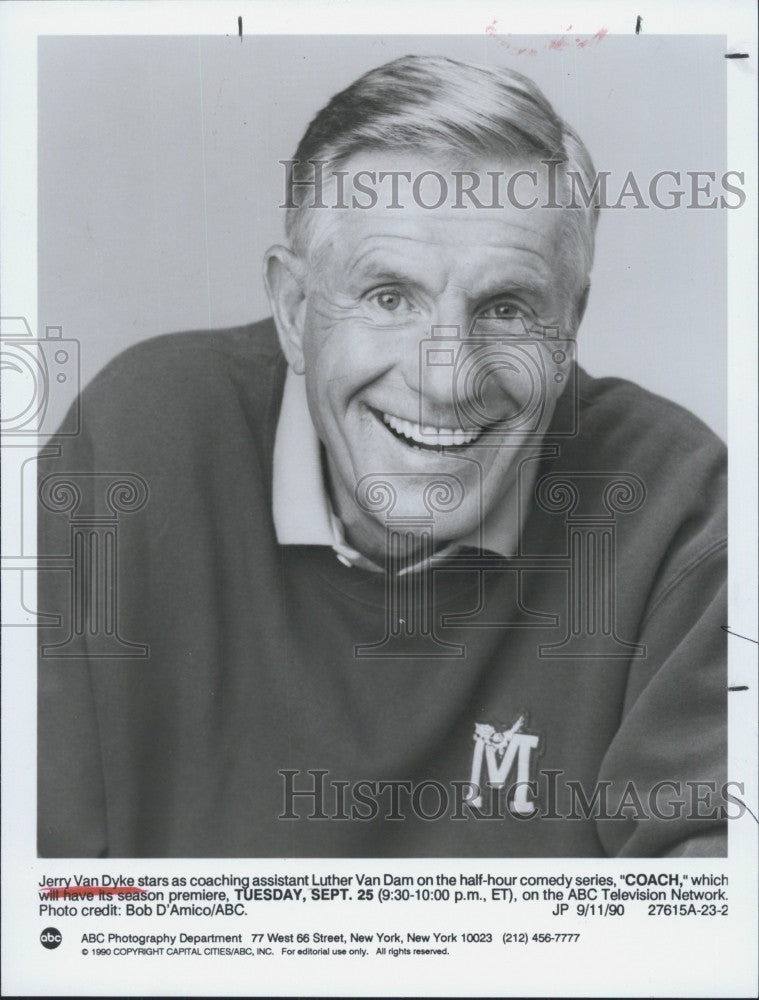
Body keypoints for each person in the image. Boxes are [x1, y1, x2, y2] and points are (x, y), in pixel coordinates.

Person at [38, 55, 727, 858]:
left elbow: (707, 920)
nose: (445, 379)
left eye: (505, 309)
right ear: (295, 311)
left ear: (568, 326)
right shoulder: (131, 450)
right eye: (389, 297)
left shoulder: (676, 505)